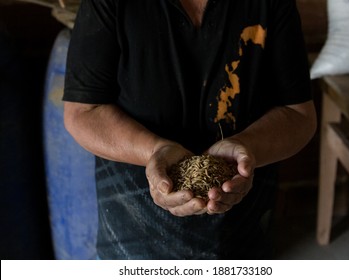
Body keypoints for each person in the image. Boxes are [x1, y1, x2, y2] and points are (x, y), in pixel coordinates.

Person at [63, 0, 317, 259]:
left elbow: (298, 114)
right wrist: (154, 150)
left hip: (240, 219)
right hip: (135, 226)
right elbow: (84, 112)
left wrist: (247, 146)